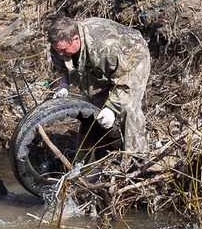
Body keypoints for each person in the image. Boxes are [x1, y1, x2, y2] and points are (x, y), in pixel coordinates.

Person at [48, 16, 151, 154]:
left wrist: (111, 108)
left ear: (76, 39)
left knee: (128, 107)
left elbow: (123, 80)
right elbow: (62, 65)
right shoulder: (59, 45)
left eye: (63, 50)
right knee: (92, 106)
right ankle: (96, 155)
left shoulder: (104, 47)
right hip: (102, 63)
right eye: (57, 49)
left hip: (132, 56)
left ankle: (137, 158)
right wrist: (64, 85)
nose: (60, 53)